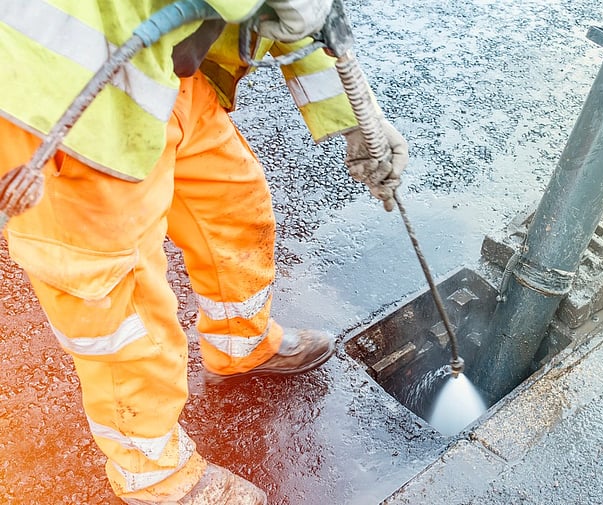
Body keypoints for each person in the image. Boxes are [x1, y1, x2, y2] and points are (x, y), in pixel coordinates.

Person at [0, 0, 407, 503]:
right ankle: (154, 478)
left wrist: (353, 116)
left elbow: (295, 14)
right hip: (66, 98)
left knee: (234, 209)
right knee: (121, 308)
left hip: (166, 70)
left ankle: (240, 344)